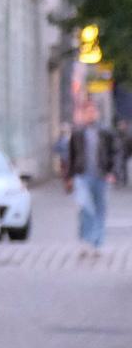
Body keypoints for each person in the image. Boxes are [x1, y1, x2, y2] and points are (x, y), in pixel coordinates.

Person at [63, 100, 119, 254]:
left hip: (101, 176)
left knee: (100, 209)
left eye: (93, 111)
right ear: (83, 114)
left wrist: (112, 172)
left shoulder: (105, 132)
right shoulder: (78, 132)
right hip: (82, 176)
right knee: (85, 207)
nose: (90, 114)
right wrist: (68, 178)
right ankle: (86, 238)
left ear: (97, 113)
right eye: (87, 112)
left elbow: (114, 153)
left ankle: (97, 242)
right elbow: (71, 156)